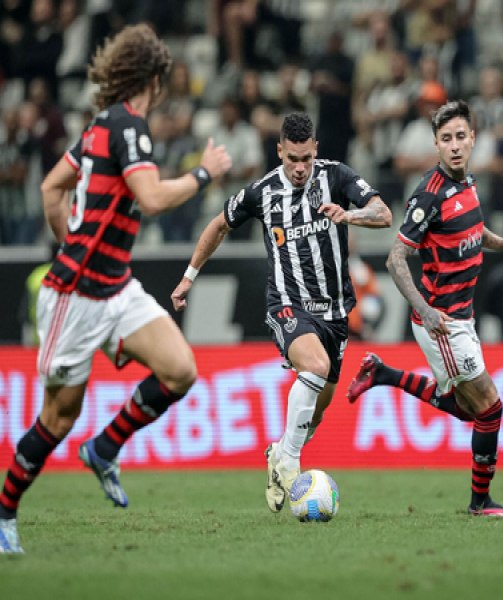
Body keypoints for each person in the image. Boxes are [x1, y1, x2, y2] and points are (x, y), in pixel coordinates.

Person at [0, 23, 232, 554]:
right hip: (75, 298)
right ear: (155, 78)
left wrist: (68, 238)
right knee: (57, 419)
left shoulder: (100, 126)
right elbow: (149, 199)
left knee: (181, 370)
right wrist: (204, 173)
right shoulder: (128, 127)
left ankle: (104, 448)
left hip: (114, 288)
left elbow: (51, 186)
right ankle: (4, 510)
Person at [170, 112, 392, 514]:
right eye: (292, 158)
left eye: (306, 157)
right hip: (288, 304)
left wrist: (351, 215)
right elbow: (218, 225)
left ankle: (281, 453)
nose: (300, 167)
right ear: (279, 152)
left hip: (337, 311)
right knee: (316, 365)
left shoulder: (337, 177)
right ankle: (289, 464)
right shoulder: (261, 191)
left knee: (315, 414)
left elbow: (383, 213)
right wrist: (189, 276)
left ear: (316, 150)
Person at [347, 100, 503, 517]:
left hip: (462, 317)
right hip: (442, 321)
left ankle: (383, 374)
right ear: (435, 143)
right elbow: (395, 259)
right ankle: (480, 502)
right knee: (490, 407)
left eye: (461, 137)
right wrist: (426, 311)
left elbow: (472, 229)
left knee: (469, 410)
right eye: (446, 139)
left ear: (473, 140)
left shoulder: (466, 184)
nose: (454, 146)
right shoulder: (427, 196)